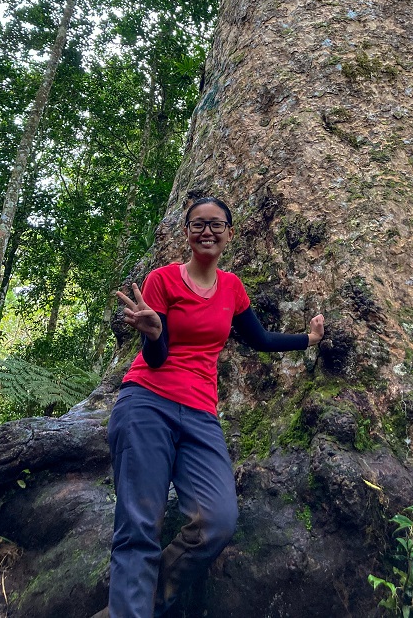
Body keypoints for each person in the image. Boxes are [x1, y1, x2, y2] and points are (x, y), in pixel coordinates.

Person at [94, 196, 324, 618]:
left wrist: (307, 340)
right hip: (147, 403)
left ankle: (135, 606)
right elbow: (156, 358)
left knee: (217, 521)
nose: (207, 232)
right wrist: (154, 333)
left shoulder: (232, 287)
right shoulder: (163, 279)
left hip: (200, 414)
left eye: (216, 224)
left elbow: (259, 339)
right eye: (198, 224)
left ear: (229, 233)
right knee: (139, 526)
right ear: (186, 233)